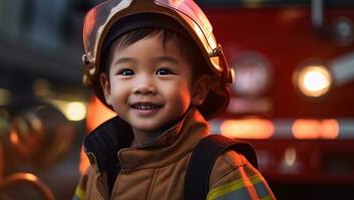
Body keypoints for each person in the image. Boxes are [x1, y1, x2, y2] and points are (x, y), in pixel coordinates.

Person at [74, 0, 275, 199]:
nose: (144, 86)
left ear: (199, 89)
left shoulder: (223, 172)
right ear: (107, 87)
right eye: (127, 72)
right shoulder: (97, 170)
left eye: (163, 71)